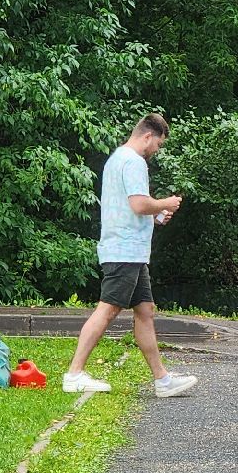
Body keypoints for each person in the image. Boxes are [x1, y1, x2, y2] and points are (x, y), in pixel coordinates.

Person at [63, 114, 198, 398]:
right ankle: (74, 374)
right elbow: (138, 204)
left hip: (131, 251)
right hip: (124, 250)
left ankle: (162, 380)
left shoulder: (117, 158)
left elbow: (130, 206)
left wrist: (156, 215)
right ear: (148, 136)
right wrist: (166, 203)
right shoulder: (134, 162)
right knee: (108, 309)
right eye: (158, 145)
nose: (156, 151)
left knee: (145, 311)